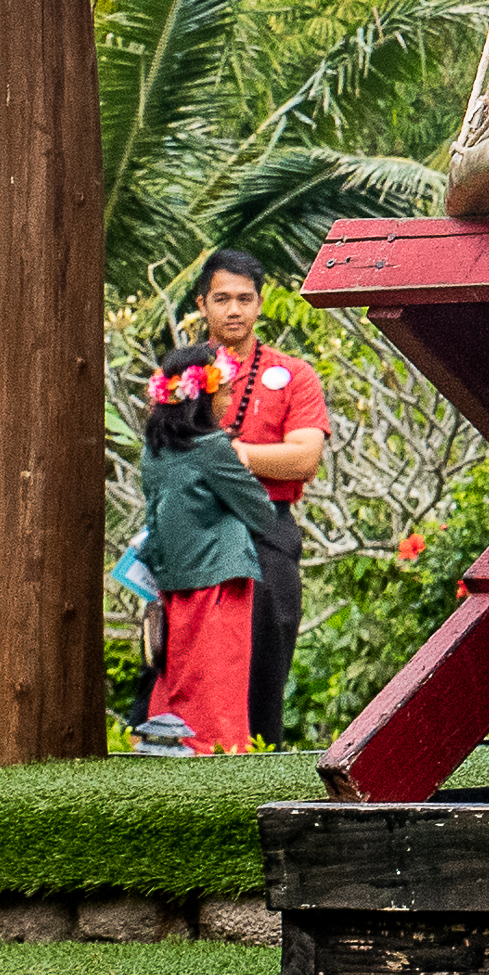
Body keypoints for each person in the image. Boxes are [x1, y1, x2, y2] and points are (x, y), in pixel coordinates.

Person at [164, 250, 329, 743]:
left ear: (260, 305)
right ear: (201, 304)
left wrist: (228, 455)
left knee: (267, 649)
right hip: (193, 527)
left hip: (267, 528)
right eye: (221, 299)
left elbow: (303, 459)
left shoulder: (293, 374)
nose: (233, 310)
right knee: (190, 658)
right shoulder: (181, 374)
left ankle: (263, 756)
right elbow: (166, 453)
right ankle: (185, 759)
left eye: (244, 299)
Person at [133, 318, 277, 753]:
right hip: (218, 581)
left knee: (179, 675)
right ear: (204, 394)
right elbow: (263, 513)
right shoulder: (213, 448)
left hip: (172, 584)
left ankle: (171, 745)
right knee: (218, 676)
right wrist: (239, 461)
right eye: (226, 389)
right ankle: (218, 750)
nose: (230, 398)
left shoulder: (154, 452)